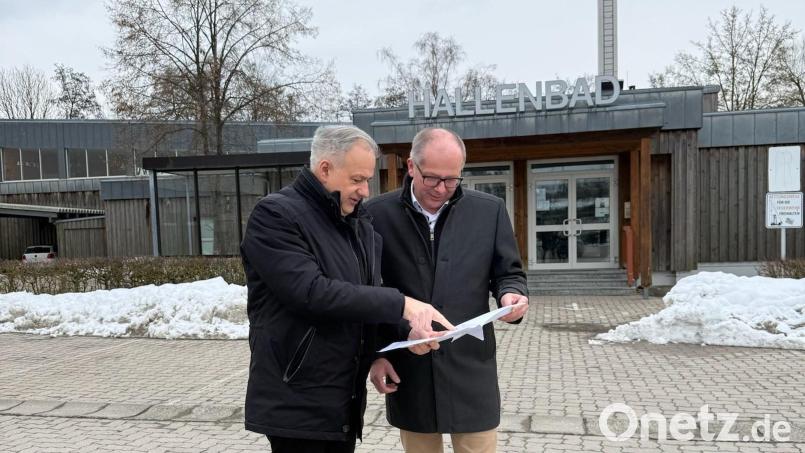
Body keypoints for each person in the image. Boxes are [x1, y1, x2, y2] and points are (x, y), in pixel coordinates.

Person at [240, 125, 453, 453]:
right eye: (357, 179)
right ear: (325, 169)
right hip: (297, 400)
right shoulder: (276, 215)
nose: (365, 190)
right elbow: (311, 293)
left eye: (367, 179)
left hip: (343, 400)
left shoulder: (357, 222)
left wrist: (392, 342)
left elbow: (361, 295)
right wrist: (401, 305)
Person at [366, 127, 530, 453]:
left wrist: (510, 293)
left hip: (471, 367)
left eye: (452, 180)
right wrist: (377, 355)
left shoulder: (489, 211)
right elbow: (369, 291)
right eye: (432, 178)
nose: (442, 189)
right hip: (410, 369)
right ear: (411, 166)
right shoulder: (375, 215)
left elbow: (508, 272)